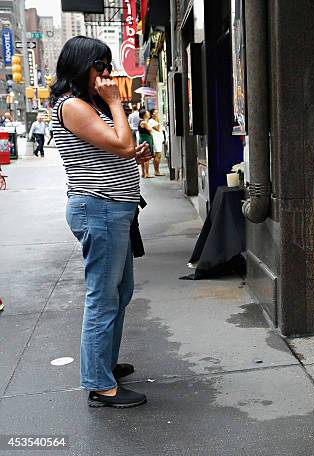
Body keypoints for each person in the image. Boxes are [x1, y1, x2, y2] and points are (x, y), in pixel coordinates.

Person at [50, 36, 151, 408]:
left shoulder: (86, 105)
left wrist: (130, 156)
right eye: (101, 66)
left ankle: (103, 364)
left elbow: (118, 149)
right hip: (100, 210)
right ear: (81, 66)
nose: (107, 74)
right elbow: (122, 144)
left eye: (108, 66)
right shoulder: (74, 105)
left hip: (112, 209)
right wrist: (115, 102)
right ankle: (98, 382)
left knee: (119, 293)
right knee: (103, 298)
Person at [148, 108, 165, 176]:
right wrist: (158, 120)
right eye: (155, 113)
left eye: (157, 112)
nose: (157, 114)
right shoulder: (151, 121)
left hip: (158, 139)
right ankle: (156, 171)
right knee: (157, 155)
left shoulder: (155, 121)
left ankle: (157, 170)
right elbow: (158, 129)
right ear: (152, 114)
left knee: (158, 155)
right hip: (155, 140)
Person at [138, 109, 154, 178]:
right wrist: (151, 129)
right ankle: (147, 173)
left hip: (142, 139)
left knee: (142, 157)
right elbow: (151, 130)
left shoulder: (141, 122)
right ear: (144, 114)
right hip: (146, 139)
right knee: (146, 157)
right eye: (147, 112)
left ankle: (143, 173)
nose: (148, 113)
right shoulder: (144, 122)